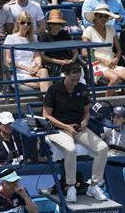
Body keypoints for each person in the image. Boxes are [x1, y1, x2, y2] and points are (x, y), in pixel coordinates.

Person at [43, 62, 108, 202]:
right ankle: (71, 186)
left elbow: (86, 112)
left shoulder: (82, 89)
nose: (75, 83)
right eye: (72, 79)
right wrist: (66, 126)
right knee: (71, 149)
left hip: (78, 129)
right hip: (58, 129)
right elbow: (46, 116)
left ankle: (94, 186)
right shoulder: (54, 90)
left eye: (77, 80)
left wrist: (85, 121)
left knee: (102, 148)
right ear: (65, 75)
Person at [82, 3, 125, 95]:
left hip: (111, 64)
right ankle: (106, 104)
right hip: (95, 65)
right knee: (114, 79)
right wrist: (103, 60)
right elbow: (85, 53)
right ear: (95, 17)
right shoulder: (88, 30)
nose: (103, 18)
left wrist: (116, 59)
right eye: (100, 16)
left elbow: (119, 50)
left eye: (105, 16)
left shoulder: (111, 29)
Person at [3, 11, 51, 92]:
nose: (26, 25)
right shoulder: (10, 38)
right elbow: (8, 60)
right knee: (47, 83)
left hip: (34, 70)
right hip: (19, 71)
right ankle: (48, 102)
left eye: (28, 23)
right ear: (18, 23)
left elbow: (37, 56)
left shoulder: (33, 38)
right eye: (23, 22)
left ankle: (46, 102)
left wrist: (38, 66)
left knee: (44, 71)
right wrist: (26, 69)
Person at [39, 10, 78, 76]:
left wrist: (72, 61)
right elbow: (42, 56)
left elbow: (75, 52)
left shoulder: (65, 34)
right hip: (54, 66)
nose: (57, 26)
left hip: (69, 64)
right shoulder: (44, 36)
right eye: (54, 24)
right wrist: (59, 62)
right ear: (50, 24)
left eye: (60, 24)